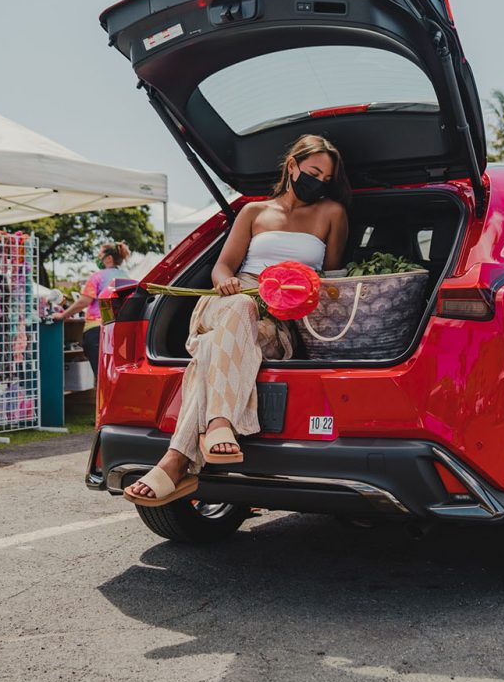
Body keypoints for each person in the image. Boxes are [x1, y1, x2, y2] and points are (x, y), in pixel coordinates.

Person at [124, 134, 350, 507]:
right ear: (292, 166)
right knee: (237, 310)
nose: (320, 183)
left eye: (327, 178)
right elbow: (223, 266)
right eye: (313, 172)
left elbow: (333, 279)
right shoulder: (253, 212)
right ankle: (218, 425)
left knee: (212, 349)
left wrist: (298, 296)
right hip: (230, 299)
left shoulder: (332, 214)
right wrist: (224, 282)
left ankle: (176, 460)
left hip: (279, 318)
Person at [53, 241, 132, 376]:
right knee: (117, 375)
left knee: (101, 375)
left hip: (98, 331)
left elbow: (84, 301)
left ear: (108, 259)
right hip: (121, 331)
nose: (98, 259)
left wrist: (62, 315)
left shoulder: (98, 276)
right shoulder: (126, 277)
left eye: (100, 255)